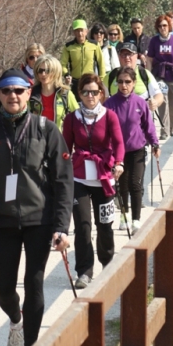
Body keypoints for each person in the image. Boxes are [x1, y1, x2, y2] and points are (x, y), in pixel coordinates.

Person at [0, 68, 73, 346]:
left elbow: (63, 180)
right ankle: (16, 320)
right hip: (1, 220)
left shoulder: (45, 129)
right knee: (3, 289)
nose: (12, 96)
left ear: (29, 93)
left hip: (39, 219)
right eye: (5, 91)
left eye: (18, 91)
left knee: (34, 282)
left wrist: (62, 226)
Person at [62, 73, 124, 288]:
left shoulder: (109, 116)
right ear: (79, 93)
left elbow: (118, 143)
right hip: (80, 176)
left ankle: (108, 264)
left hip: (104, 176)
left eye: (94, 92)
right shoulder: (72, 118)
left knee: (105, 225)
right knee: (83, 226)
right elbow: (65, 148)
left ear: (101, 93)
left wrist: (120, 163)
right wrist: (62, 167)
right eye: (86, 92)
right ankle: (84, 272)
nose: (90, 96)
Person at [104, 68, 160, 235]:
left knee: (136, 183)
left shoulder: (140, 103)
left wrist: (155, 144)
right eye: (120, 82)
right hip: (117, 153)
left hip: (137, 149)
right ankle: (124, 215)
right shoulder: (109, 104)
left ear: (134, 83)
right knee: (122, 185)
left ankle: (136, 219)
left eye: (127, 82)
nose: (123, 85)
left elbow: (148, 127)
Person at [146, 15, 173, 139]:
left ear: (169, 26)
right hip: (160, 74)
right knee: (162, 102)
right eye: (160, 26)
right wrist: (148, 74)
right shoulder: (154, 41)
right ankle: (164, 130)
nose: (162, 28)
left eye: (165, 25)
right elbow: (150, 59)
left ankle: (171, 126)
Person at [107, 43, 164, 115]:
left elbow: (159, 95)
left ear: (136, 56)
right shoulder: (110, 76)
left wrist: (155, 102)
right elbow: (102, 98)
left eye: (130, 54)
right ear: (119, 57)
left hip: (141, 122)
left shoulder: (145, 74)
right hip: (116, 122)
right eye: (123, 54)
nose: (127, 57)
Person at [29, 54, 78, 130]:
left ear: (56, 72)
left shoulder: (65, 94)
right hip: (36, 139)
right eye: (40, 70)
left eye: (47, 71)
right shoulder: (31, 94)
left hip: (59, 139)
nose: (43, 74)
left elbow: (79, 118)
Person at [60, 19, 105, 95]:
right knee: (76, 105)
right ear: (74, 32)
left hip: (91, 81)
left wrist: (101, 79)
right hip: (75, 82)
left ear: (86, 31)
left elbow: (101, 63)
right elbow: (62, 64)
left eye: (81, 30)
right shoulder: (68, 47)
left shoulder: (94, 44)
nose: (80, 33)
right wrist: (66, 74)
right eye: (77, 31)